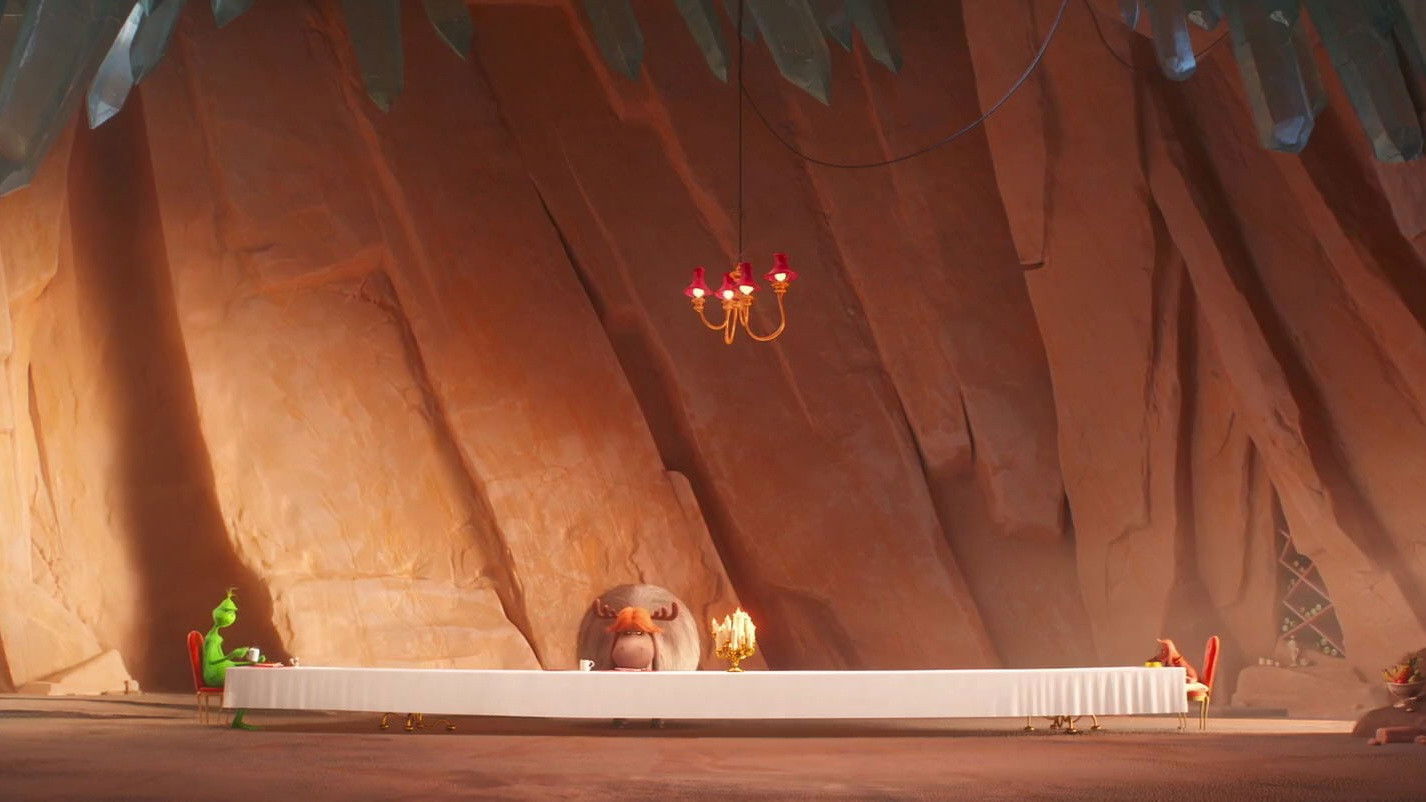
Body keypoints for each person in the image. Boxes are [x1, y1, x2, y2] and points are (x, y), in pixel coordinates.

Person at [203, 588, 261, 730]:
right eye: (229, 613)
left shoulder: (215, 636)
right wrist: (233, 655)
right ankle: (237, 721)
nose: (232, 616)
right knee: (246, 684)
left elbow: (223, 660)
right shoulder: (212, 639)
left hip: (218, 670)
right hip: (213, 676)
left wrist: (250, 662)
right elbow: (211, 662)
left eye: (232, 613)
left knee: (245, 676)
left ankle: (238, 719)